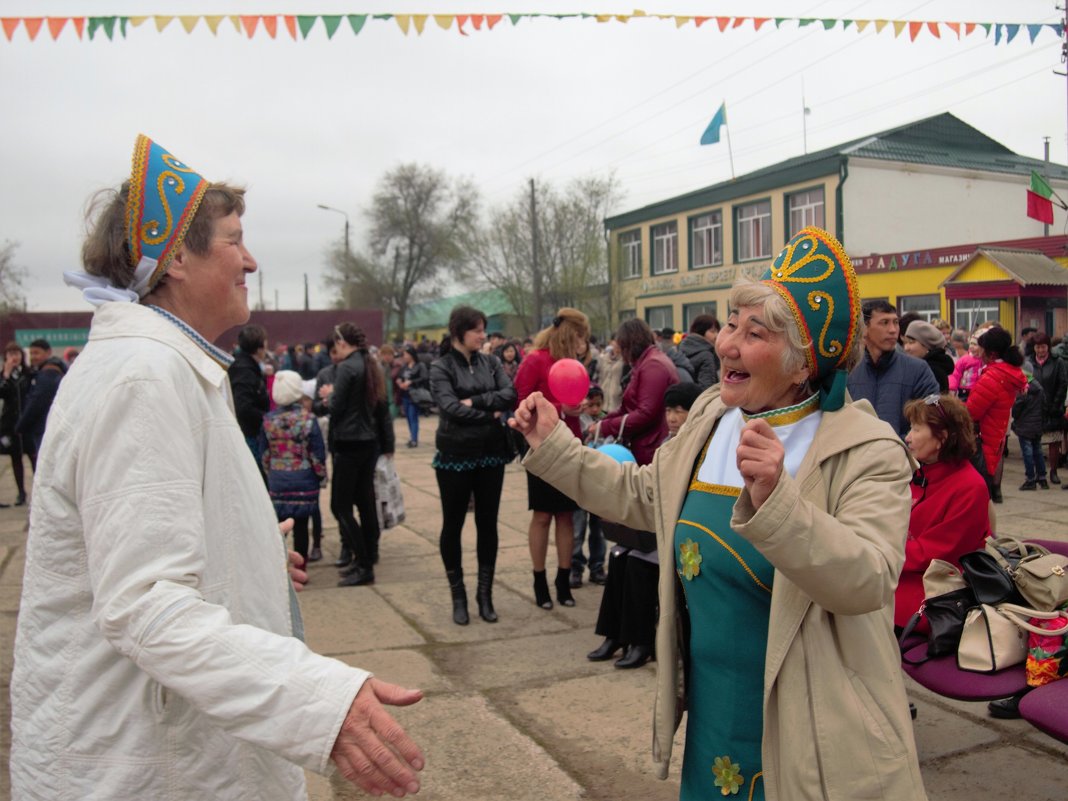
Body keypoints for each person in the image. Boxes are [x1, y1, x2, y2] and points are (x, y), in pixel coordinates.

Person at [16, 134, 424, 800]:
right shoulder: (142, 377)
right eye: (234, 239)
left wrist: (252, 558)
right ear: (176, 255)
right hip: (145, 769)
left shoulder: (165, 367)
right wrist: (320, 703)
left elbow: (147, 548)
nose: (252, 259)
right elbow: (147, 603)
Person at [512, 227, 926, 800]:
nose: (727, 344)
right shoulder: (713, 414)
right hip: (712, 720)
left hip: (812, 732)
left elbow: (868, 579)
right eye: (731, 322)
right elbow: (645, 496)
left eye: (754, 333)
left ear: (804, 362)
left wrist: (778, 500)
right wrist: (556, 446)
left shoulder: (867, 449)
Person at [587, 381, 704, 670]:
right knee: (618, 557)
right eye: (668, 411)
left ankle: (642, 642)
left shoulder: (700, 445)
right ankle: (614, 634)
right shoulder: (667, 444)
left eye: (680, 411)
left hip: (684, 535)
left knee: (639, 563)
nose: (673, 417)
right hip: (658, 525)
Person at [429, 305, 517, 625]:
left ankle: (485, 595)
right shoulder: (440, 367)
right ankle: (458, 596)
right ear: (458, 332)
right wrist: (488, 414)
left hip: (491, 452)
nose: (484, 336)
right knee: (452, 525)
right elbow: (450, 408)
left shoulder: (492, 362)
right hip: (454, 455)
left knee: (487, 523)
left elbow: (509, 394)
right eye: (477, 330)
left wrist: (477, 402)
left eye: (484, 329)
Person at [514, 307, 593, 610]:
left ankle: (563, 579)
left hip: (569, 442)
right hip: (541, 446)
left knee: (566, 515)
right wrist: (562, 408)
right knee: (543, 515)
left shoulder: (573, 363)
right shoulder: (535, 360)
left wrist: (584, 404)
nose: (582, 344)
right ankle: (539, 580)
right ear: (569, 334)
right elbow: (520, 401)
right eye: (580, 337)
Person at [895, 393, 991, 632]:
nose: (908, 437)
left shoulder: (970, 487)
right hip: (902, 572)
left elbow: (934, 554)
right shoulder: (919, 475)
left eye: (917, 429)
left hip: (934, 588)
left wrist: (879, 549)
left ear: (942, 437)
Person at [328, 322, 395, 587]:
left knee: (340, 506)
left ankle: (364, 562)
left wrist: (326, 397)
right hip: (368, 442)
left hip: (349, 442)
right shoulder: (370, 364)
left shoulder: (347, 367)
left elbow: (336, 406)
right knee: (364, 502)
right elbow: (381, 408)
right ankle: (366, 556)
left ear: (342, 343)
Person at [589, 318, 679, 466]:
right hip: (649, 444)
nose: (618, 351)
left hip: (651, 447)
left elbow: (645, 413)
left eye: (621, 347)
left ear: (628, 344)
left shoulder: (653, 366)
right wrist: (604, 422)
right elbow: (629, 408)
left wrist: (605, 427)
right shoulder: (648, 362)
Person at [260, 370, 328, 566]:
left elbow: (265, 454)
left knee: (280, 526)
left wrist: (271, 471)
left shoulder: (268, 421)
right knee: (301, 526)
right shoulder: (307, 419)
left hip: (278, 479)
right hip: (304, 479)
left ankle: (277, 564)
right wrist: (321, 475)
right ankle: (301, 565)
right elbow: (317, 454)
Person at [847, 300, 938, 437]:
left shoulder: (918, 371)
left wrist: (899, 449)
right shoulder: (848, 372)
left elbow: (932, 420)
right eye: (884, 323)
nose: (893, 330)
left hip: (903, 456)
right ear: (865, 329)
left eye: (895, 322)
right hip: (858, 456)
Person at [967, 326, 1027, 504]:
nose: (979, 352)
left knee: (979, 499)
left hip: (983, 440)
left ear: (991, 354)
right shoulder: (1008, 372)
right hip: (994, 438)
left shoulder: (992, 378)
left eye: (982, 348)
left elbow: (971, 412)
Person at [570, 385, 607, 589]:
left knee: (599, 529)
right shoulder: (578, 422)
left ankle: (597, 566)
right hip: (580, 480)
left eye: (598, 405)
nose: (594, 409)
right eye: (590, 405)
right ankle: (575, 567)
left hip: (600, 482)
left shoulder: (607, 421)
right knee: (577, 528)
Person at [14, 338, 66, 464]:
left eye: (37, 353)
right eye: (31, 353)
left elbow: (36, 401)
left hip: (45, 429)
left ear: (48, 352)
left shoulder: (48, 373)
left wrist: (21, 426)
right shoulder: (48, 370)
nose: (33, 357)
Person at [1029, 332, 1067, 485]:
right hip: (1034, 408)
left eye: (1043, 347)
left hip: (1053, 407)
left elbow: (1062, 384)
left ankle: (1053, 471)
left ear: (1048, 347)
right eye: (1038, 347)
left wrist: (1056, 404)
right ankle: (1038, 472)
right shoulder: (1029, 363)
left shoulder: (1057, 362)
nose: (1040, 350)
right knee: (1034, 442)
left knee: (1054, 441)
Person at [228, 323, 270, 464]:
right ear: (259, 348)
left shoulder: (244, 366)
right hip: (249, 433)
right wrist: (267, 418)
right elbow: (243, 406)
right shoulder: (245, 371)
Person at [0, 342, 32, 506]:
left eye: (17, 353)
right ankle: (21, 493)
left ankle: (39, 492)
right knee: (15, 459)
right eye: (11, 354)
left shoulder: (29, 373)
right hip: (10, 425)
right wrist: (5, 374)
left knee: (34, 457)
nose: (14, 357)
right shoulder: (4, 376)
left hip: (28, 423)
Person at [1012, 362, 1048, 490]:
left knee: (1027, 452)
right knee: (1037, 450)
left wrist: (1015, 417)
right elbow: (1044, 406)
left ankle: (1030, 479)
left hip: (1025, 425)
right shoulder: (1039, 387)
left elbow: (1017, 408)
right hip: (1037, 425)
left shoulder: (1023, 388)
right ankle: (1042, 477)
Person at [903, 319, 954, 392]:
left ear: (927, 346)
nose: (906, 348)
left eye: (911, 342)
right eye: (905, 343)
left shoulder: (933, 372)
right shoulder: (914, 368)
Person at [396, 345, 429, 448]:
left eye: (406, 354)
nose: (404, 356)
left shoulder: (420, 365)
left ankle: (414, 439)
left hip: (415, 395)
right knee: (409, 418)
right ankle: (412, 437)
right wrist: (400, 382)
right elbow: (400, 377)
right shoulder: (404, 367)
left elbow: (424, 378)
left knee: (413, 416)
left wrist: (411, 382)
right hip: (405, 395)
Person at [678, 314, 720, 389]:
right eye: (712, 331)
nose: (716, 335)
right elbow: (707, 388)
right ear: (701, 331)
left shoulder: (681, 348)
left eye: (717, 331)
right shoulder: (707, 355)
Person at [597, 341, 624, 412]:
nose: (616, 346)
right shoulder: (603, 358)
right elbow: (600, 376)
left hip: (617, 400)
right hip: (603, 397)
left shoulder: (625, 359)